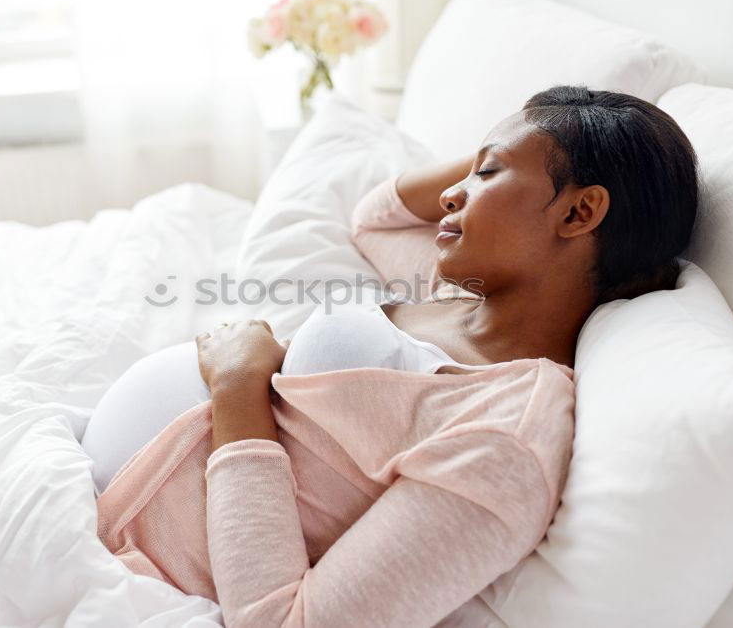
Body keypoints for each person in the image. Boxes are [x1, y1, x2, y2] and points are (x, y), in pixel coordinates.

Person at [81, 85, 699, 627]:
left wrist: (239, 388)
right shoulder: (461, 289)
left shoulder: (504, 438)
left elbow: (286, 622)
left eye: (486, 174)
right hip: (92, 492)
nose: (452, 194)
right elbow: (375, 218)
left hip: (131, 558)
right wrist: (535, 133)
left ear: (580, 210)